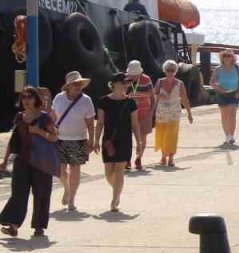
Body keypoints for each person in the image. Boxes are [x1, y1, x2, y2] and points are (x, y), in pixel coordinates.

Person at [1, 87, 59, 237]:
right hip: (23, 161)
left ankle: (39, 226)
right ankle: (13, 225)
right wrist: (5, 160)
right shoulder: (20, 117)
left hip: (41, 162)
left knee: (41, 193)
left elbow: (54, 137)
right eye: (23, 97)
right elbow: (14, 140)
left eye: (29, 97)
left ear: (36, 99)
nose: (26, 100)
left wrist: (38, 131)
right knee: (18, 193)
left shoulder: (45, 118)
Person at [51, 71, 96, 213]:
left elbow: (90, 123)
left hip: (78, 139)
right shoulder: (58, 98)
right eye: (75, 84)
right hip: (60, 139)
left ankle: (71, 200)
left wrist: (91, 140)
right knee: (59, 171)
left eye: (80, 84)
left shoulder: (86, 100)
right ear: (68, 86)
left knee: (75, 171)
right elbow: (53, 117)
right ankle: (67, 188)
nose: (78, 86)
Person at [96, 74, 139, 213]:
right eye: (123, 83)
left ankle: (114, 200)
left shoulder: (131, 102)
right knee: (109, 172)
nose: (126, 85)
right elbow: (100, 123)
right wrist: (95, 140)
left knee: (119, 170)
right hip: (109, 140)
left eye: (127, 83)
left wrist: (139, 141)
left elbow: (135, 123)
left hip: (125, 139)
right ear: (114, 84)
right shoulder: (103, 101)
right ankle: (117, 190)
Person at [153, 60, 193, 168]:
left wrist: (189, 113)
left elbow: (185, 99)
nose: (170, 72)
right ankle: (163, 156)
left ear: (176, 71)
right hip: (161, 113)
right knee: (162, 135)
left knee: (172, 136)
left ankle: (170, 157)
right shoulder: (159, 82)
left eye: (172, 70)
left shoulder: (179, 84)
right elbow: (153, 98)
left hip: (174, 113)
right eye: (168, 70)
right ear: (164, 71)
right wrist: (158, 97)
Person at [124, 60, 156, 170]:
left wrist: (151, 112)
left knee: (142, 137)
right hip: (128, 114)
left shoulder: (146, 79)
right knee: (126, 138)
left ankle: (139, 158)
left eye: (134, 75)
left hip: (144, 112)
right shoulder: (124, 79)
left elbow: (152, 97)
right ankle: (127, 160)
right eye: (131, 74)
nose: (132, 76)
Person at [210, 50, 239, 148]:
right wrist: (218, 87)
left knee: (232, 115)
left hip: (234, 93)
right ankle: (227, 136)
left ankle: (231, 136)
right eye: (225, 56)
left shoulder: (237, 68)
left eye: (229, 56)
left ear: (233, 58)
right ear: (222, 58)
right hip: (222, 94)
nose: (227, 58)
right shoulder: (218, 69)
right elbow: (212, 82)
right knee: (224, 116)